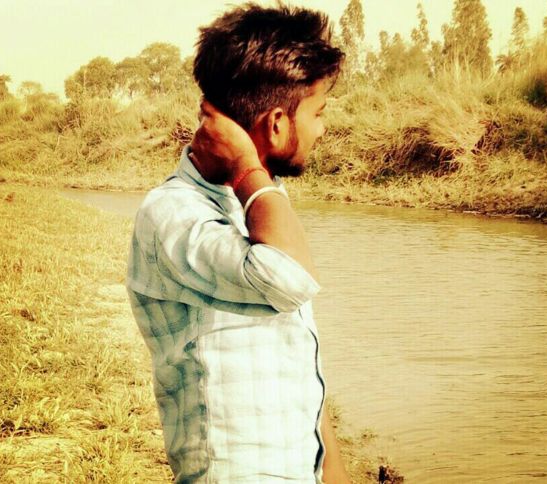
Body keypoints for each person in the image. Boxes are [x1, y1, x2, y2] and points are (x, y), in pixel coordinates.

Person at [126, 3, 350, 483]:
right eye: (318, 113)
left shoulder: (259, 204)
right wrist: (248, 167)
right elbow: (290, 279)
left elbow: (296, 359)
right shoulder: (173, 213)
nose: (322, 128)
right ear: (276, 123)